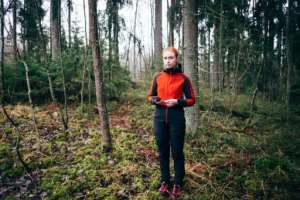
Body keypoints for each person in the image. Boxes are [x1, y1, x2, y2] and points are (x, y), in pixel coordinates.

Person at [147, 47, 196, 199]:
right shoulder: (158, 77)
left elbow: (191, 99)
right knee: (162, 152)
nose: (167, 61)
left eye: (171, 58)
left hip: (176, 118)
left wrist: (177, 101)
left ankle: (178, 182)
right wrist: (157, 100)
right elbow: (149, 96)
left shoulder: (183, 78)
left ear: (176, 59)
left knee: (177, 152)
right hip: (159, 118)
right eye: (165, 58)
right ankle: (165, 181)